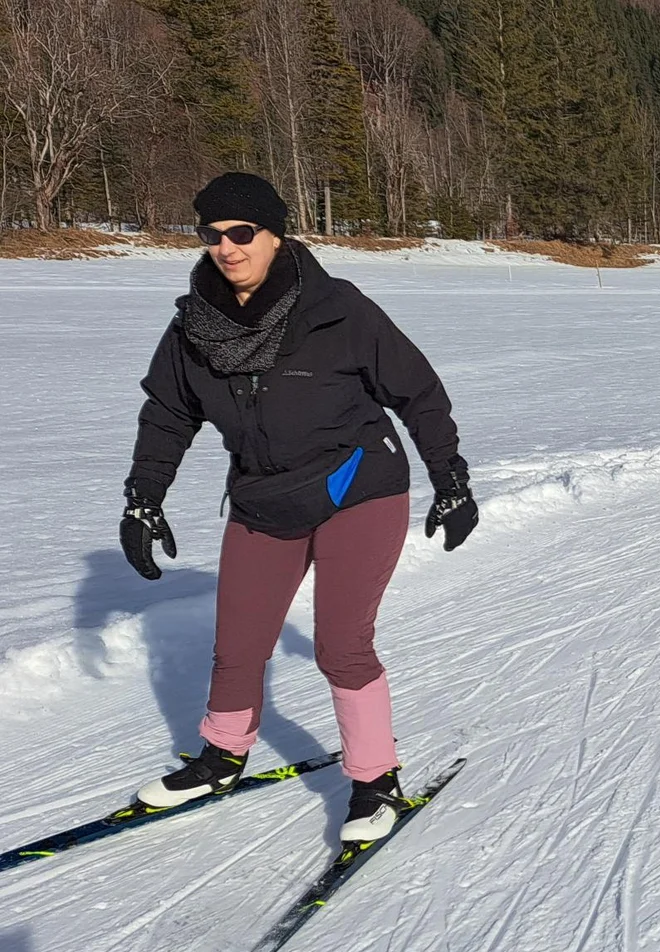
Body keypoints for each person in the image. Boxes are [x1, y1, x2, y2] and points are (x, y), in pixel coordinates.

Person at [120, 172, 477, 843]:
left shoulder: (339, 311)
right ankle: (223, 753)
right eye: (213, 234)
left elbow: (418, 390)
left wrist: (449, 475)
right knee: (239, 641)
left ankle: (376, 778)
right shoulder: (195, 326)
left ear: (276, 235)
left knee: (342, 644)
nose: (226, 248)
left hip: (357, 486)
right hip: (264, 494)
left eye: (241, 233)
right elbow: (168, 413)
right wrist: (143, 497)